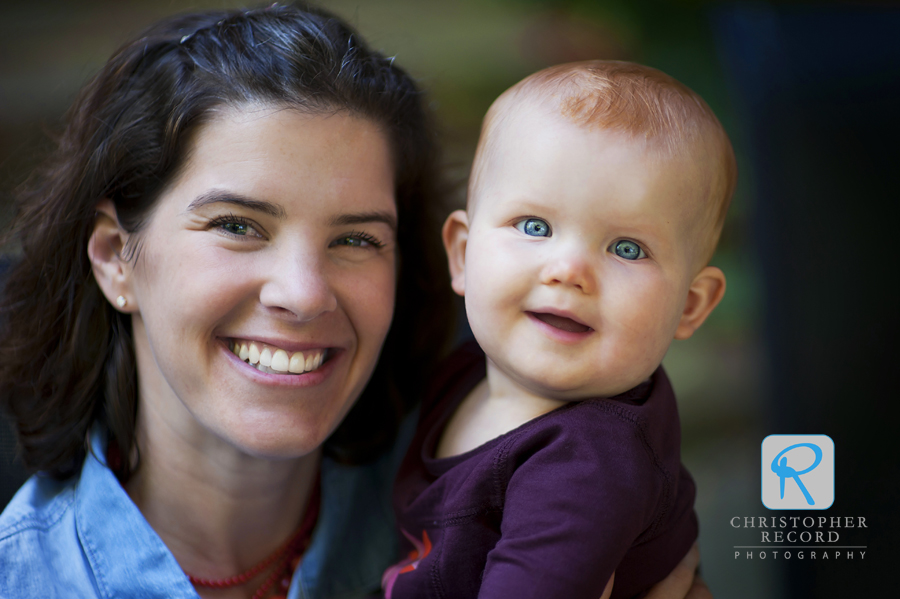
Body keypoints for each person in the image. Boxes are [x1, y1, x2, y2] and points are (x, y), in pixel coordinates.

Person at [0, 4, 710, 598]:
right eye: (238, 226)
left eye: (357, 240)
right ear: (115, 258)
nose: (304, 292)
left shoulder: (512, 472)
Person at [384, 61, 735, 599]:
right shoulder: (463, 369)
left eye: (627, 248)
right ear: (462, 252)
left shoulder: (588, 465)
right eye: (535, 227)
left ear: (690, 305)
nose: (568, 270)